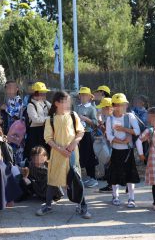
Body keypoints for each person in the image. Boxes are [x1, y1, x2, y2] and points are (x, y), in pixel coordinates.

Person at [36, 91, 91, 219]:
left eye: (68, 101)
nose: (67, 104)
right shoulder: (50, 119)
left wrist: (72, 145)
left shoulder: (73, 115)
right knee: (53, 179)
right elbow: (48, 138)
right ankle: (48, 205)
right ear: (56, 103)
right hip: (57, 154)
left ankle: (83, 206)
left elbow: (80, 132)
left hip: (72, 154)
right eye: (65, 102)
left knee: (77, 179)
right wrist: (60, 149)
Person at [106, 93, 141, 208]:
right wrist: (120, 141)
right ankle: (115, 196)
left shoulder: (130, 116)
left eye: (123, 104)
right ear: (114, 106)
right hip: (116, 151)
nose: (122, 107)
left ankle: (131, 198)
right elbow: (109, 136)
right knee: (114, 174)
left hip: (128, 151)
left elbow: (137, 131)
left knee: (130, 175)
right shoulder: (109, 119)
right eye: (119, 105)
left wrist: (123, 129)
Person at [75, 87, 99, 188]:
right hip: (77, 134)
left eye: (85, 95)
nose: (83, 96)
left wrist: (86, 119)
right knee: (79, 156)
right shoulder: (76, 107)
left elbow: (95, 123)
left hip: (87, 134)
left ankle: (92, 177)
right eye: (81, 95)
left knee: (89, 156)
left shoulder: (92, 108)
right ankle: (83, 176)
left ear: (90, 97)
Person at [23, 82, 51, 159]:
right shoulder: (30, 105)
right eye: (42, 93)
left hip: (45, 131)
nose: (44, 95)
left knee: (46, 154)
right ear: (35, 94)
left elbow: (53, 109)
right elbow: (35, 120)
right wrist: (48, 119)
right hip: (34, 133)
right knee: (35, 154)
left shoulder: (45, 102)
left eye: (45, 93)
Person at [95, 98, 113, 193]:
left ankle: (111, 186)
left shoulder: (111, 119)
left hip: (113, 146)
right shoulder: (111, 118)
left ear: (108, 108)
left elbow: (107, 134)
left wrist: (100, 123)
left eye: (102, 108)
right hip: (114, 146)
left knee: (111, 165)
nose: (101, 110)